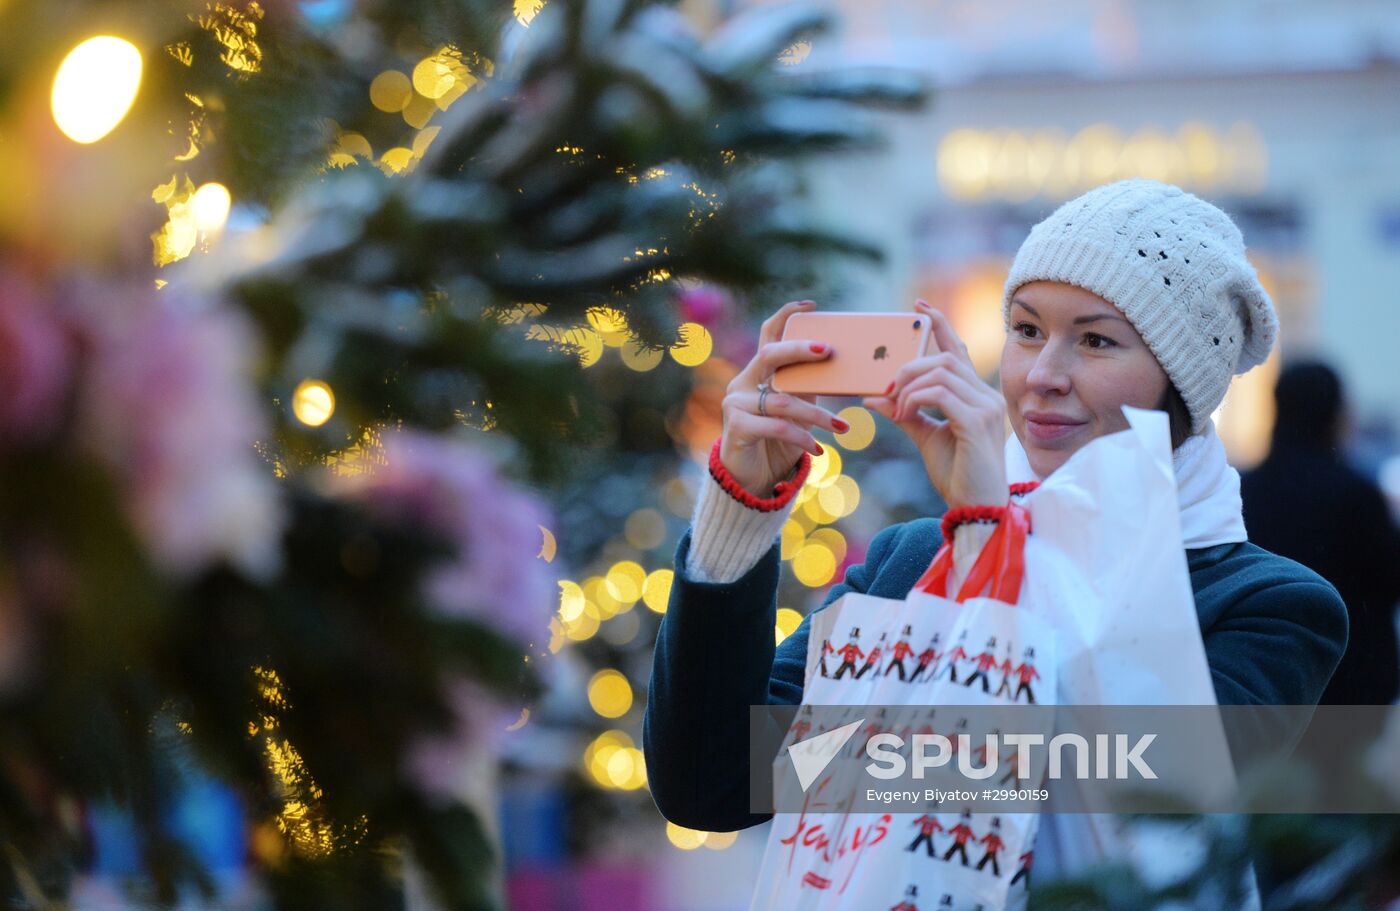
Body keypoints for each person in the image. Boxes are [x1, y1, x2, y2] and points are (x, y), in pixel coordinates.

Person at [643, 179, 1348, 888]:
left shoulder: (1270, 605)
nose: (1042, 375)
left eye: (1097, 340)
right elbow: (716, 782)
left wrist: (988, 538)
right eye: (1026, 329)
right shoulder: (912, 558)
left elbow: (1120, 819)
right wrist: (742, 509)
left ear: (1182, 383)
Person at [1241, 360, 1400, 705]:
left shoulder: (1246, 491)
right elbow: (1390, 579)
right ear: (1333, 413)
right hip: (1351, 683)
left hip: (1267, 678)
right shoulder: (1356, 494)